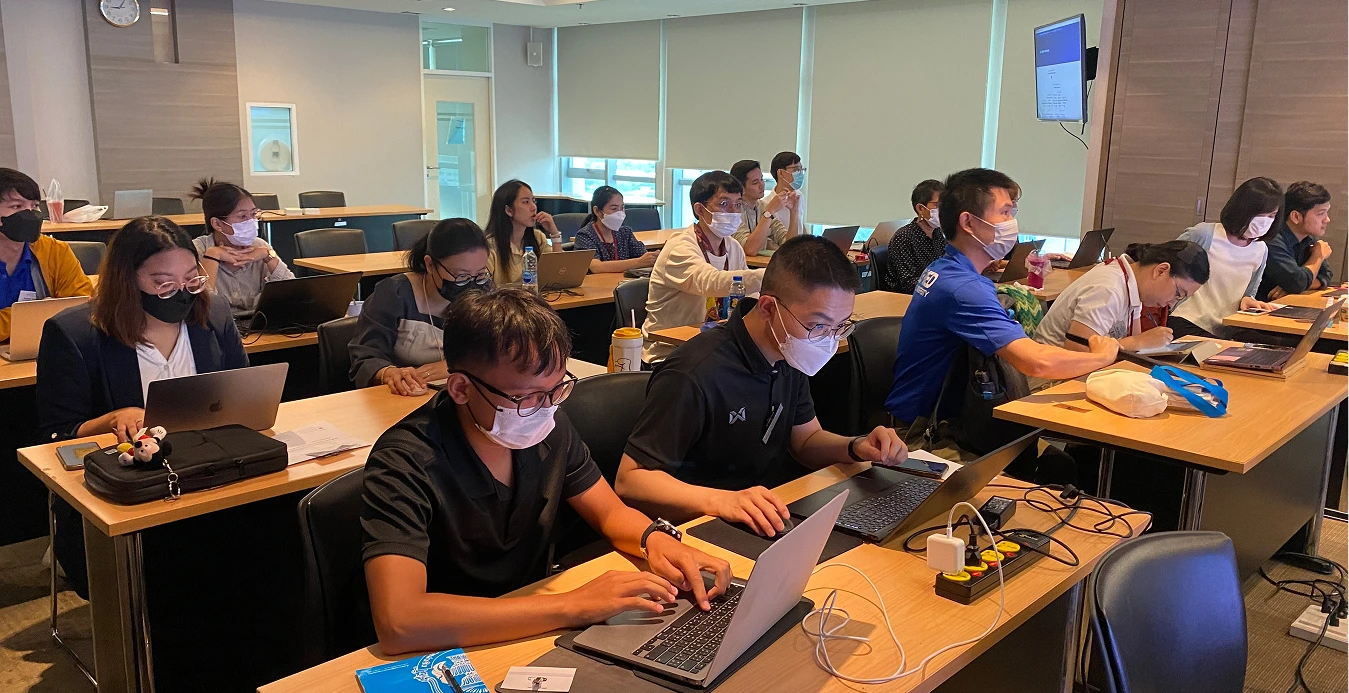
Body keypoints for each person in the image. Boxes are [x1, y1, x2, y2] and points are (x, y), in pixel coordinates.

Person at [360, 287, 732, 654]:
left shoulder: (546, 426)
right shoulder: (405, 462)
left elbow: (609, 511)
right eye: (528, 397)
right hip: (450, 645)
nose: (547, 407)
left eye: (557, 389)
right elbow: (401, 621)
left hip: (531, 626)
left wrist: (657, 540)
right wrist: (573, 605)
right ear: (460, 388)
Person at [616, 236, 908, 536]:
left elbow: (806, 441)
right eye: (818, 325)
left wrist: (857, 446)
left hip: (764, 513)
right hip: (697, 525)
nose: (829, 339)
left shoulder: (788, 352)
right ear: (768, 307)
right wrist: (722, 501)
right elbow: (631, 480)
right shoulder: (694, 372)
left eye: (840, 325)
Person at [37, 216, 248, 599]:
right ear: (127, 278)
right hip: (127, 494)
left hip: (208, 473)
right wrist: (113, 419)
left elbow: (244, 394)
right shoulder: (75, 334)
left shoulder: (212, 315)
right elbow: (55, 435)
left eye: (190, 277)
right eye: (163, 282)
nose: (181, 292)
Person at [884, 168, 1118, 454]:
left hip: (939, 418)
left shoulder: (945, 269)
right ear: (968, 222)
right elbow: (1036, 363)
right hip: (928, 437)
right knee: (1059, 463)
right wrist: (1102, 357)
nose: (1012, 223)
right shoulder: (964, 288)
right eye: (1005, 213)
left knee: (1057, 459)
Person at [350, 218, 493, 396]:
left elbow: (497, 348)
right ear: (430, 264)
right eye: (461, 276)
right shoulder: (395, 295)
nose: (471, 284)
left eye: (479, 274)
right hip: (405, 397)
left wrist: (455, 366)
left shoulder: (484, 290)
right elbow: (365, 358)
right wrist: (389, 373)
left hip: (463, 395)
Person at [642, 171, 765, 363]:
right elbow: (709, 282)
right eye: (724, 204)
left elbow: (748, 298)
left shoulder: (733, 247)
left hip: (713, 348)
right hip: (670, 353)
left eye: (738, 204)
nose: (733, 212)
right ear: (700, 210)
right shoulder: (680, 246)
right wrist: (769, 276)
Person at [1033, 240, 1210, 351]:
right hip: (1050, 382)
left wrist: (1142, 344)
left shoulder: (1133, 281)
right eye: (1178, 294)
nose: (1171, 304)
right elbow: (1078, 351)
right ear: (1161, 270)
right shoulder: (1108, 288)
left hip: (1079, 374)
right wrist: (1138, 342)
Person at [1170, 177, 1281, 339]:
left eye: (1272, 215)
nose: (1265, 221)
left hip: (1228, 327)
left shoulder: (1261, 249)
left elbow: (1249, 292)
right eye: (1260, 214)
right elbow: (1165, 266)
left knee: (1279, 348)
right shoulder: (1203, 235)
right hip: (1186, 320)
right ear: (1242, 210)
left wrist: (1247, 300)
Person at [0, 168, 93, 341]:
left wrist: (39, 312)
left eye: (34, 205)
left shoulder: (54, 252)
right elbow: (61, 311)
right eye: (17, 206)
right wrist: (40, 312)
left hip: (42, 348)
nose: (30, 214)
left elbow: (82, 304)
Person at [190, 177, 294, 316]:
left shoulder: (259, 245)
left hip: (259, 327)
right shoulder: (196, 250)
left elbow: (292, 293)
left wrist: (268, 255)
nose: (251, 222)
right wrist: (213, 256)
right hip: (219, 328)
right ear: (217, 224)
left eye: (253, 214)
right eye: (243, 216)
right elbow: (202, 306)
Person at [1259, 181, 1335, 301]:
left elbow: (1326, 275)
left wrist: (1296, 286)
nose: (1327, 219)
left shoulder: (1308, 238)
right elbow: (1297, 282)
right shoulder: (1272, 239)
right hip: (1259, 311)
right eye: (1321, 213)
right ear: (1296, 217)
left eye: (1327, 212)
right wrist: (1318, 256)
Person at [485, 180, 563, 285]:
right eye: (526, 202)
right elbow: (483, 291)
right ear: (509, 210)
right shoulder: (489, 246)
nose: (534, 207)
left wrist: (554, 234)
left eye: (533, 201)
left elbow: (558, 273)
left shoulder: (537, 237)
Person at [571, 186, 658, 274]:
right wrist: (638, 262)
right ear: (597, 211)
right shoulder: (585, 235)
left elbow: (643, 256)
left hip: (623, 283)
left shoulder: (625, 232)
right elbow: (596, 267)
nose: (620, 213)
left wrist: (653, 257)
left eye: (622, 208)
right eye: (614, 209)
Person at [885, 179, 946, 294]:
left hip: (934, 293)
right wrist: (943, 283)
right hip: (904, 297)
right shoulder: (903, 237)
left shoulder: (938, 234)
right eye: (938, 205)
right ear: (920, 209)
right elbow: (907, 282)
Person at [730, 159, 800, 255]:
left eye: (762, 179)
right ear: (741, 189)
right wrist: (768, 213)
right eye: (755, 182)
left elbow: (789, 245)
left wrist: (794, 211)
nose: (762, 185)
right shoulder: (733, 210)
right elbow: (750, 249)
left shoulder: (763, 206)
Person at [763, 151, 805, 227]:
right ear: (781, 173)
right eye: (796, 170)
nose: (800, 173)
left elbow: (800, 225)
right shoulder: (767, 204)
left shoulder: (799, 196)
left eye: (801, 169)